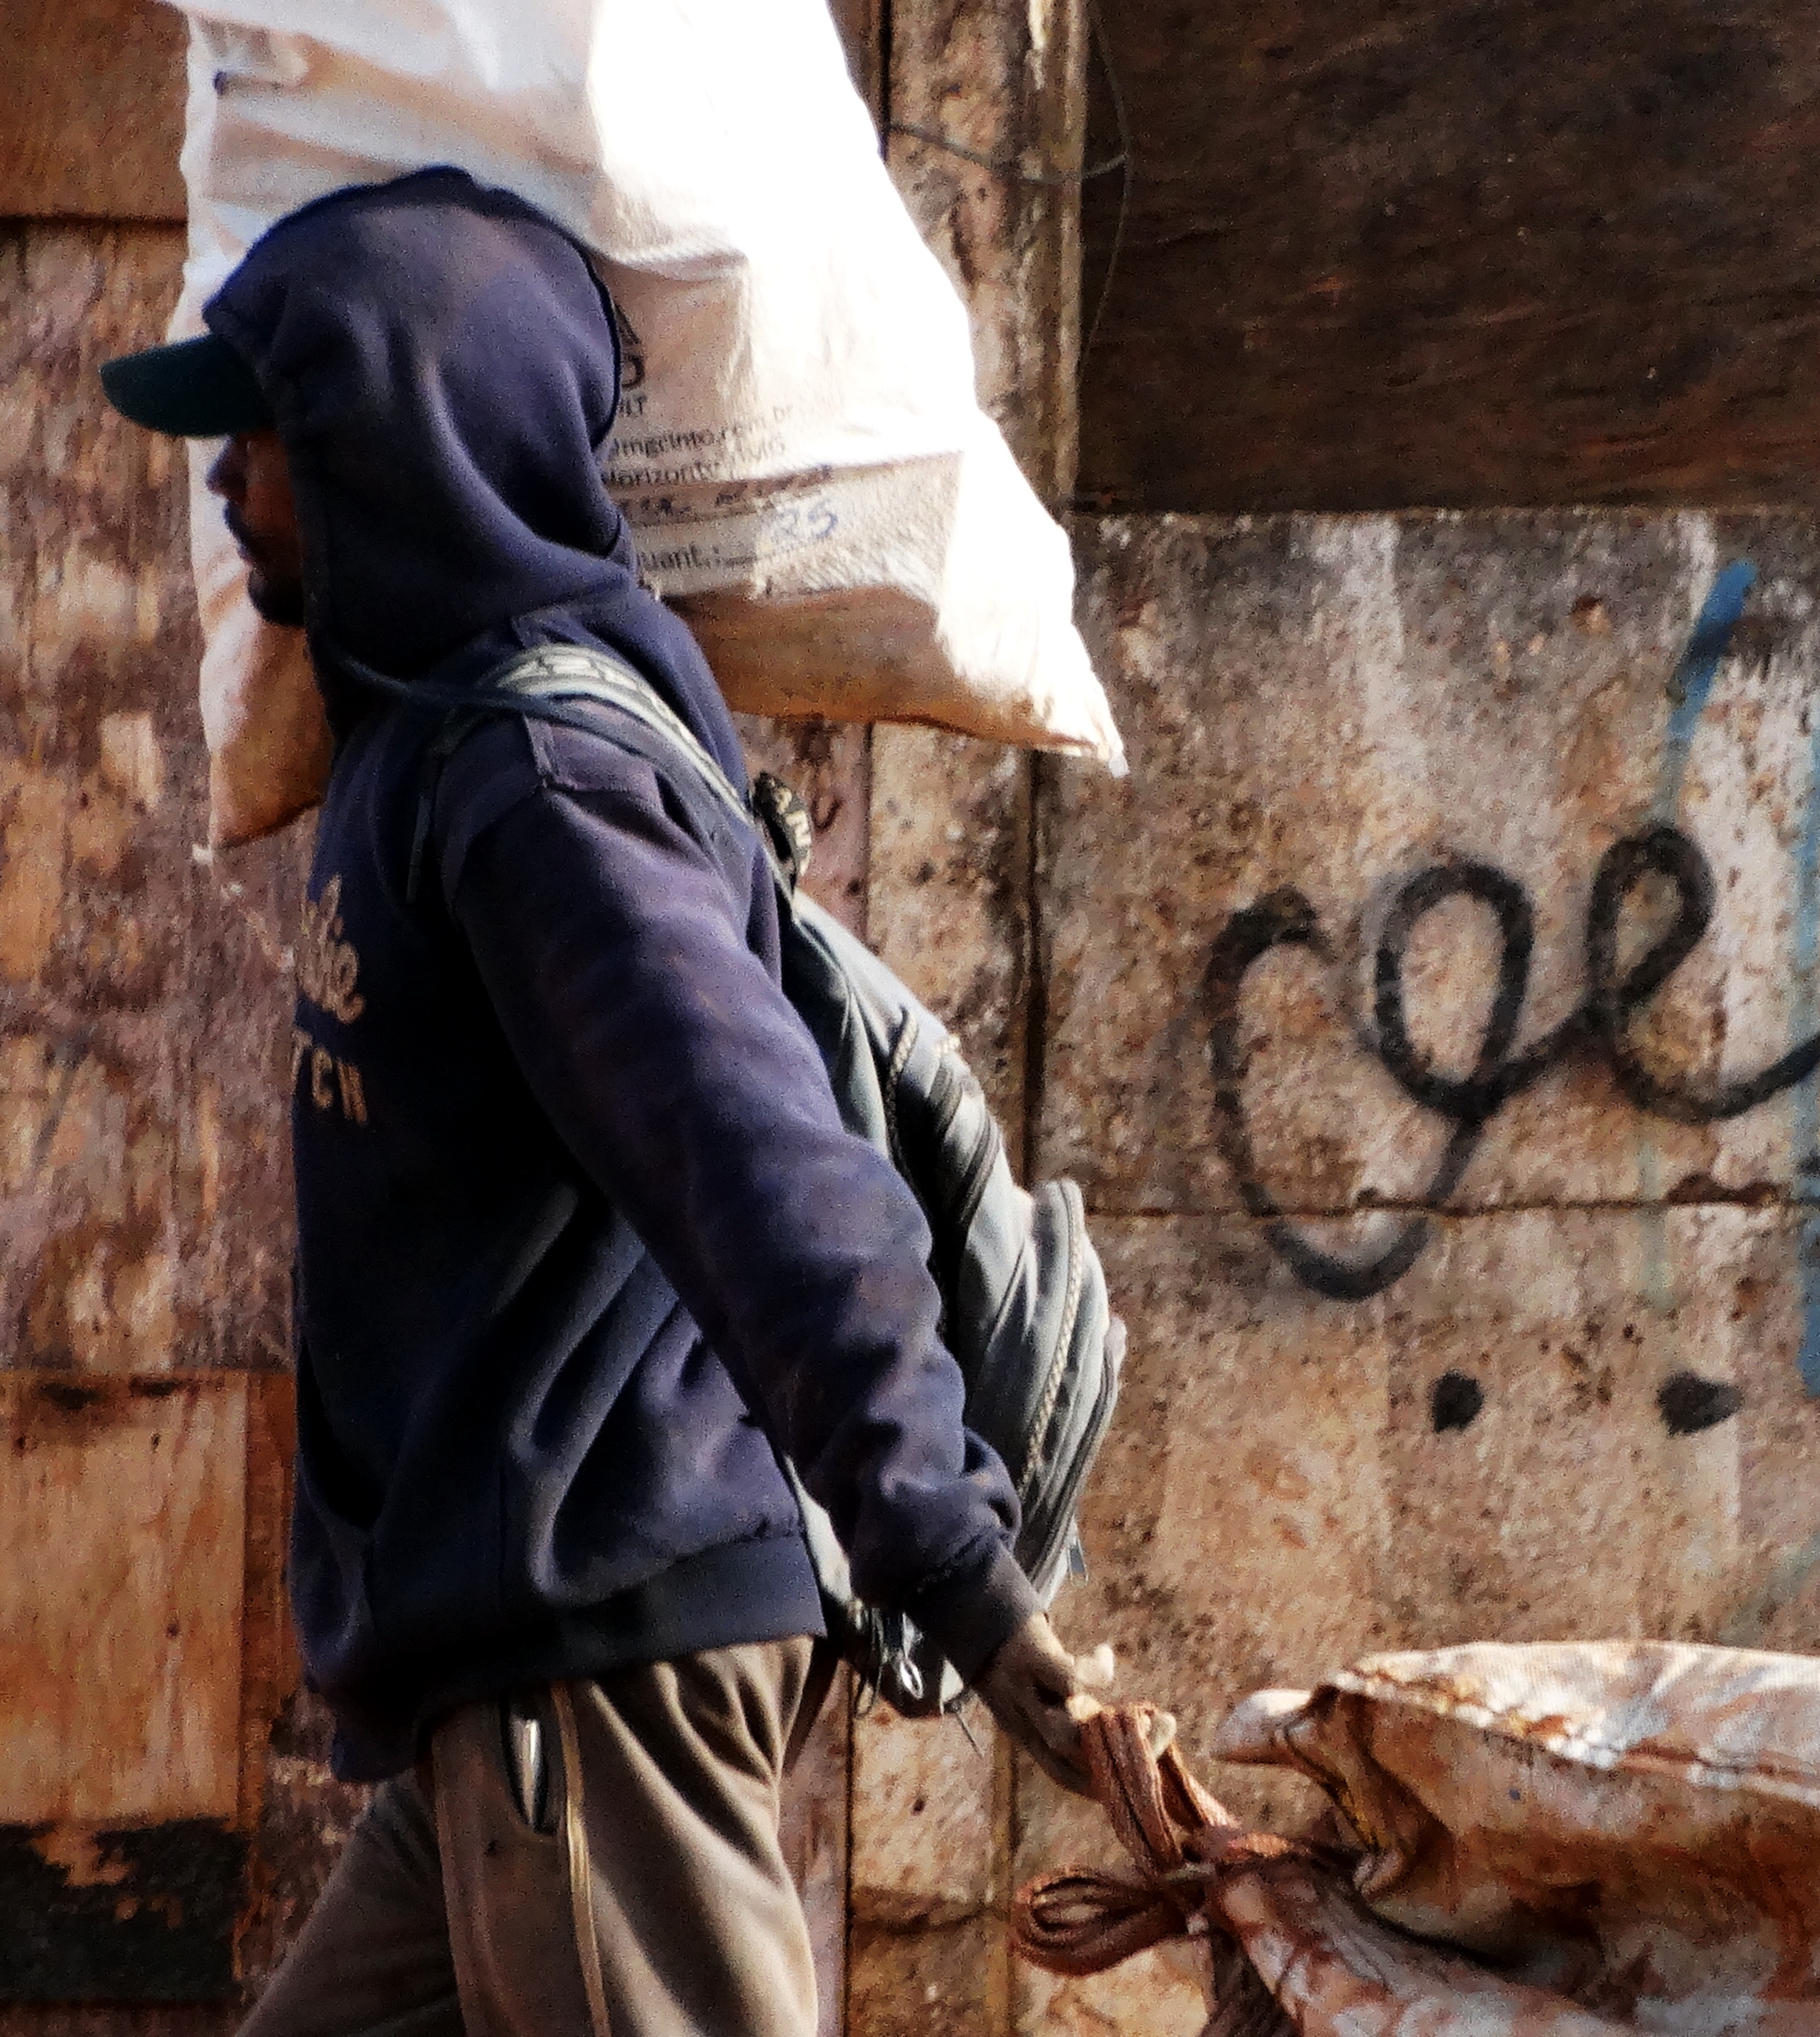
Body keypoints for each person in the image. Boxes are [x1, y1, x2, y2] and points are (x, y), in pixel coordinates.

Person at [102, 166, 1107, 2037]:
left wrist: (953, 1565)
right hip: (507, 1667)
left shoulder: (539, 786)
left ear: (404, 444)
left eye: (275, 435)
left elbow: (765, 1171)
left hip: (605, 1662)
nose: (234, 487)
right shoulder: (420, 742)